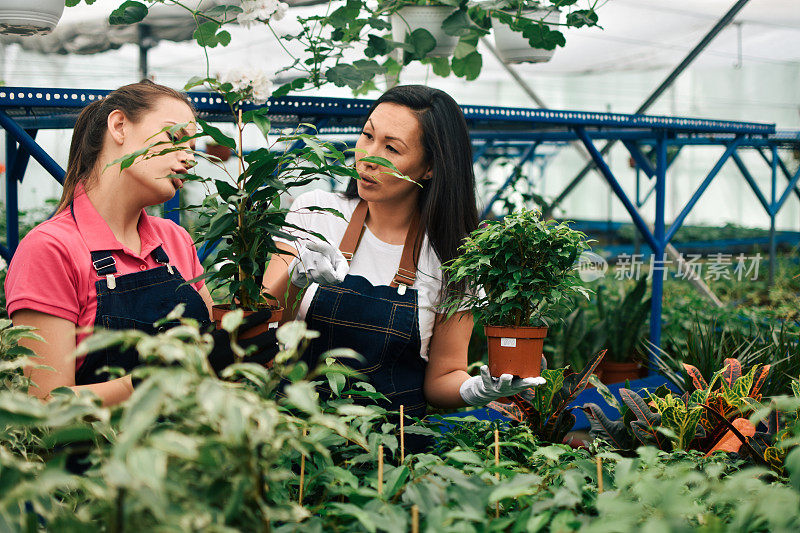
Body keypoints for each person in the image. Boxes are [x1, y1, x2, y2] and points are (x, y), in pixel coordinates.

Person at [262, 85, 544, 418]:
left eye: (392, 148)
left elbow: (441, 378)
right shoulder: (315, 214)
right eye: (367, 136)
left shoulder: (455, 259)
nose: (368, 156)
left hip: (391, 451)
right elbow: (261, 330)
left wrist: (476, 390)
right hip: (299, 443)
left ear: (430, 167)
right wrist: (294, 280)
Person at [5, 80, 272, 407]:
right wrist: (161, 380)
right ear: (119, 126)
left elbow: (204, 359)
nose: (188, 158)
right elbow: (45, 405)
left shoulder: (175, 240)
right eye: (175, 138)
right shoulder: (51, 248)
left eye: (192, 148)